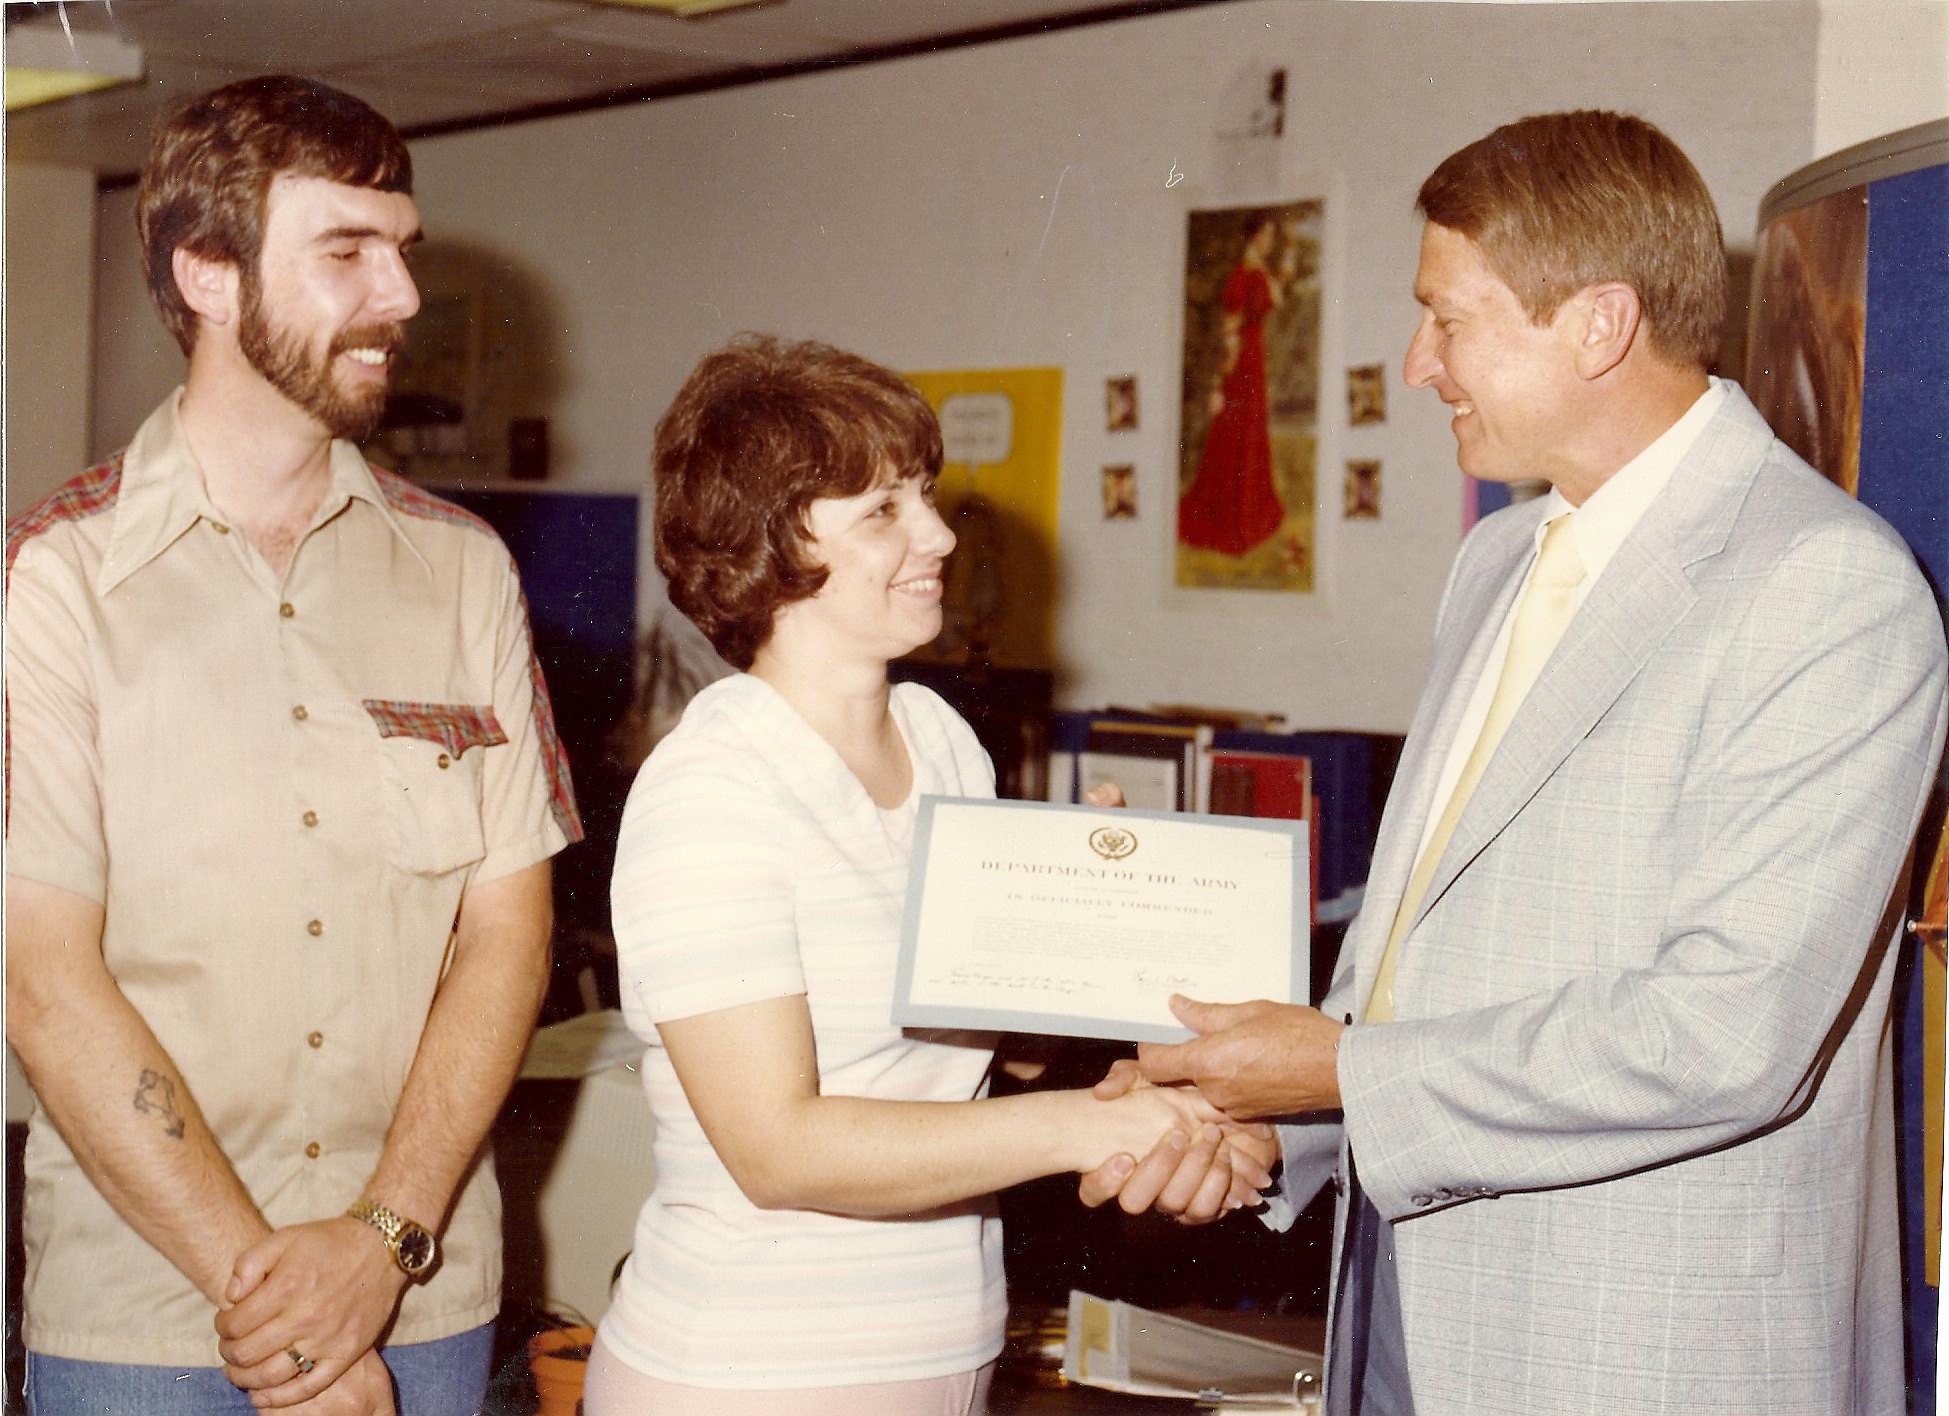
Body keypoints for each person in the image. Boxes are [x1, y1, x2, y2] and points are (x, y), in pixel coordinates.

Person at [1096, 110, 1949, 1413]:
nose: (1418, 360)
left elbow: (1726, 1032)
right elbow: (1418, 947)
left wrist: (1337, 1073)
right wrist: (1277, 1121)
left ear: (1599, 325)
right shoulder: (1497, 557)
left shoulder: (1823, 587)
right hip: (1399, 1312)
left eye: (1451, 318)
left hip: (1639, 1352)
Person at [5, 76, 582, 1416]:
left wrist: (379, 1246)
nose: (399, 297)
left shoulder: (462, 574)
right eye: (345, 253)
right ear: (207, 272)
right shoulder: (57, 577)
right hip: (148, 1315)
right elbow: (43, 981)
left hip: (423, 1293)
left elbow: (508, 938)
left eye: (402, 250)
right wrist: (292, 1324)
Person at [590, 335, 1276, 1415]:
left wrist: (1065, 960)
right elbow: (779, 1148)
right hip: (752, 1369)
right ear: (765, 550)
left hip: (942, 1349)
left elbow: (973, 1068)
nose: (939, 533)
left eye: (925, 496)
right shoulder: (711, 790)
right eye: (882, 512)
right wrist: (1083, 1132)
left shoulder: (937, 736)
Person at [1177, 210, 1295, 557]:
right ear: (1253, 235)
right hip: (1239, 364)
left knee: (1251, 434)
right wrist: (1217, 384)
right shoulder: (1242, 276)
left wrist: (1287, 252)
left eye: (1272, 236)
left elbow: (1277, 293)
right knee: (1234, 436)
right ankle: (1231, 519)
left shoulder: (1259, 271)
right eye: (1265, 235)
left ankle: (1249, 512)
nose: (1268, 241)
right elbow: (1229, 331)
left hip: (1255, 361)